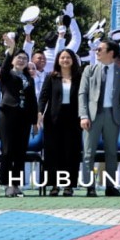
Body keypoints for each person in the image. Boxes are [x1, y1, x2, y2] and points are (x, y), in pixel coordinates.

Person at [78, 39, 120, 197]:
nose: (97, 51)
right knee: (88, 153)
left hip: (112, 115)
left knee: (112, 153)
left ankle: (110, 186)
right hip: (92, 116)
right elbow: (83, 94)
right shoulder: (89, 69)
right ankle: (90, 186)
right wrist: (84, 115)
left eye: (100, 49)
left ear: (111, 53)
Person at [38, 48, 84, 196]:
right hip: (53, 118)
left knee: (71, 152)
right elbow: (43, 97)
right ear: (58, 60)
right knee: (53, 152)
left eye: (68, 58)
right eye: (62, 58)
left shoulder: (80, 77)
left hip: (73, 118)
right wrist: (39, 112)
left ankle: (68, 185)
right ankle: (54, 185)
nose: (65, 60)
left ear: (73, 60)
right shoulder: (51, 77)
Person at [0, 49, 38, 197]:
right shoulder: (7, 75)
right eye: (19, 58)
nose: (21, 60)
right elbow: (3, 69)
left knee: (20, 152)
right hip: (7, 115)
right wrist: (9, 51)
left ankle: (16, 184)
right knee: (8, 151)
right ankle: (7, 183)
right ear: (13, 60)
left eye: (24, 58)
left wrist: (34, 121)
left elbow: (33, 101)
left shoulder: (29, 78)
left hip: (24, 117)